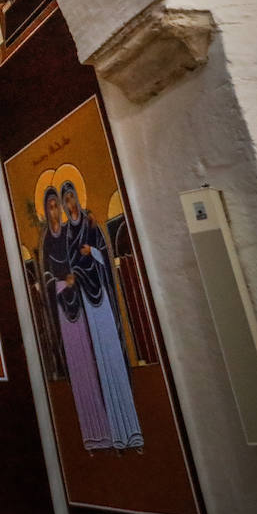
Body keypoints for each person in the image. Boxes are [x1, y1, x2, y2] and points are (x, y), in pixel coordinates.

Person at [62, 180, 144, 450]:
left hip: (102, 298)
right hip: (86, 296)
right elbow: (69, 263)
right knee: (99, 356)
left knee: (112, 354)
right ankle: (115, 432)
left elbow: (105, 256)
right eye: (67, 200)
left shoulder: (91, 224)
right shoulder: (68, 234)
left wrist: (92, 252)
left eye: (72, 198)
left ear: (77, 198)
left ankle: (130, 430)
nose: (70, 203)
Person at [40, 186, 112, 450]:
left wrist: (76, 277)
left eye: (58, 204)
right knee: (75, 361)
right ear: (46, 211)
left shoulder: (71, 234)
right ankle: (89, 434)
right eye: (52, 206)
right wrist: (56, 282)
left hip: (79, 300)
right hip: (61, 300)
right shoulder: (47, 238)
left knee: (90, 361)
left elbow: (81, 260)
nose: (57, 209)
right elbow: (45, 272)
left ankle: (103, 429)